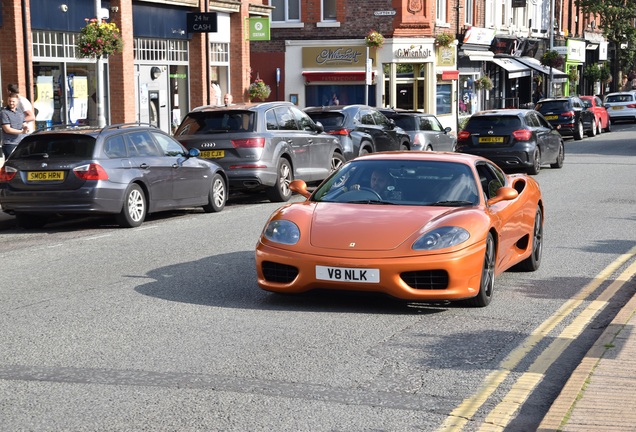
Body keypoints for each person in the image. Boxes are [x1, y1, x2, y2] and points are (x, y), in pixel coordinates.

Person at [1, 93, 29, 159]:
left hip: (20, 142)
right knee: (11, 163)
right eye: (9, 101)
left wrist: (26, 127)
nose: (11, 103)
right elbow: (7, 129)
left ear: (17, 101)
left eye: (13, 101)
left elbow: (23, 123)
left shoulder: (19, 111)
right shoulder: (4, 113)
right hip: (9, 143)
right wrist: (22, 132)